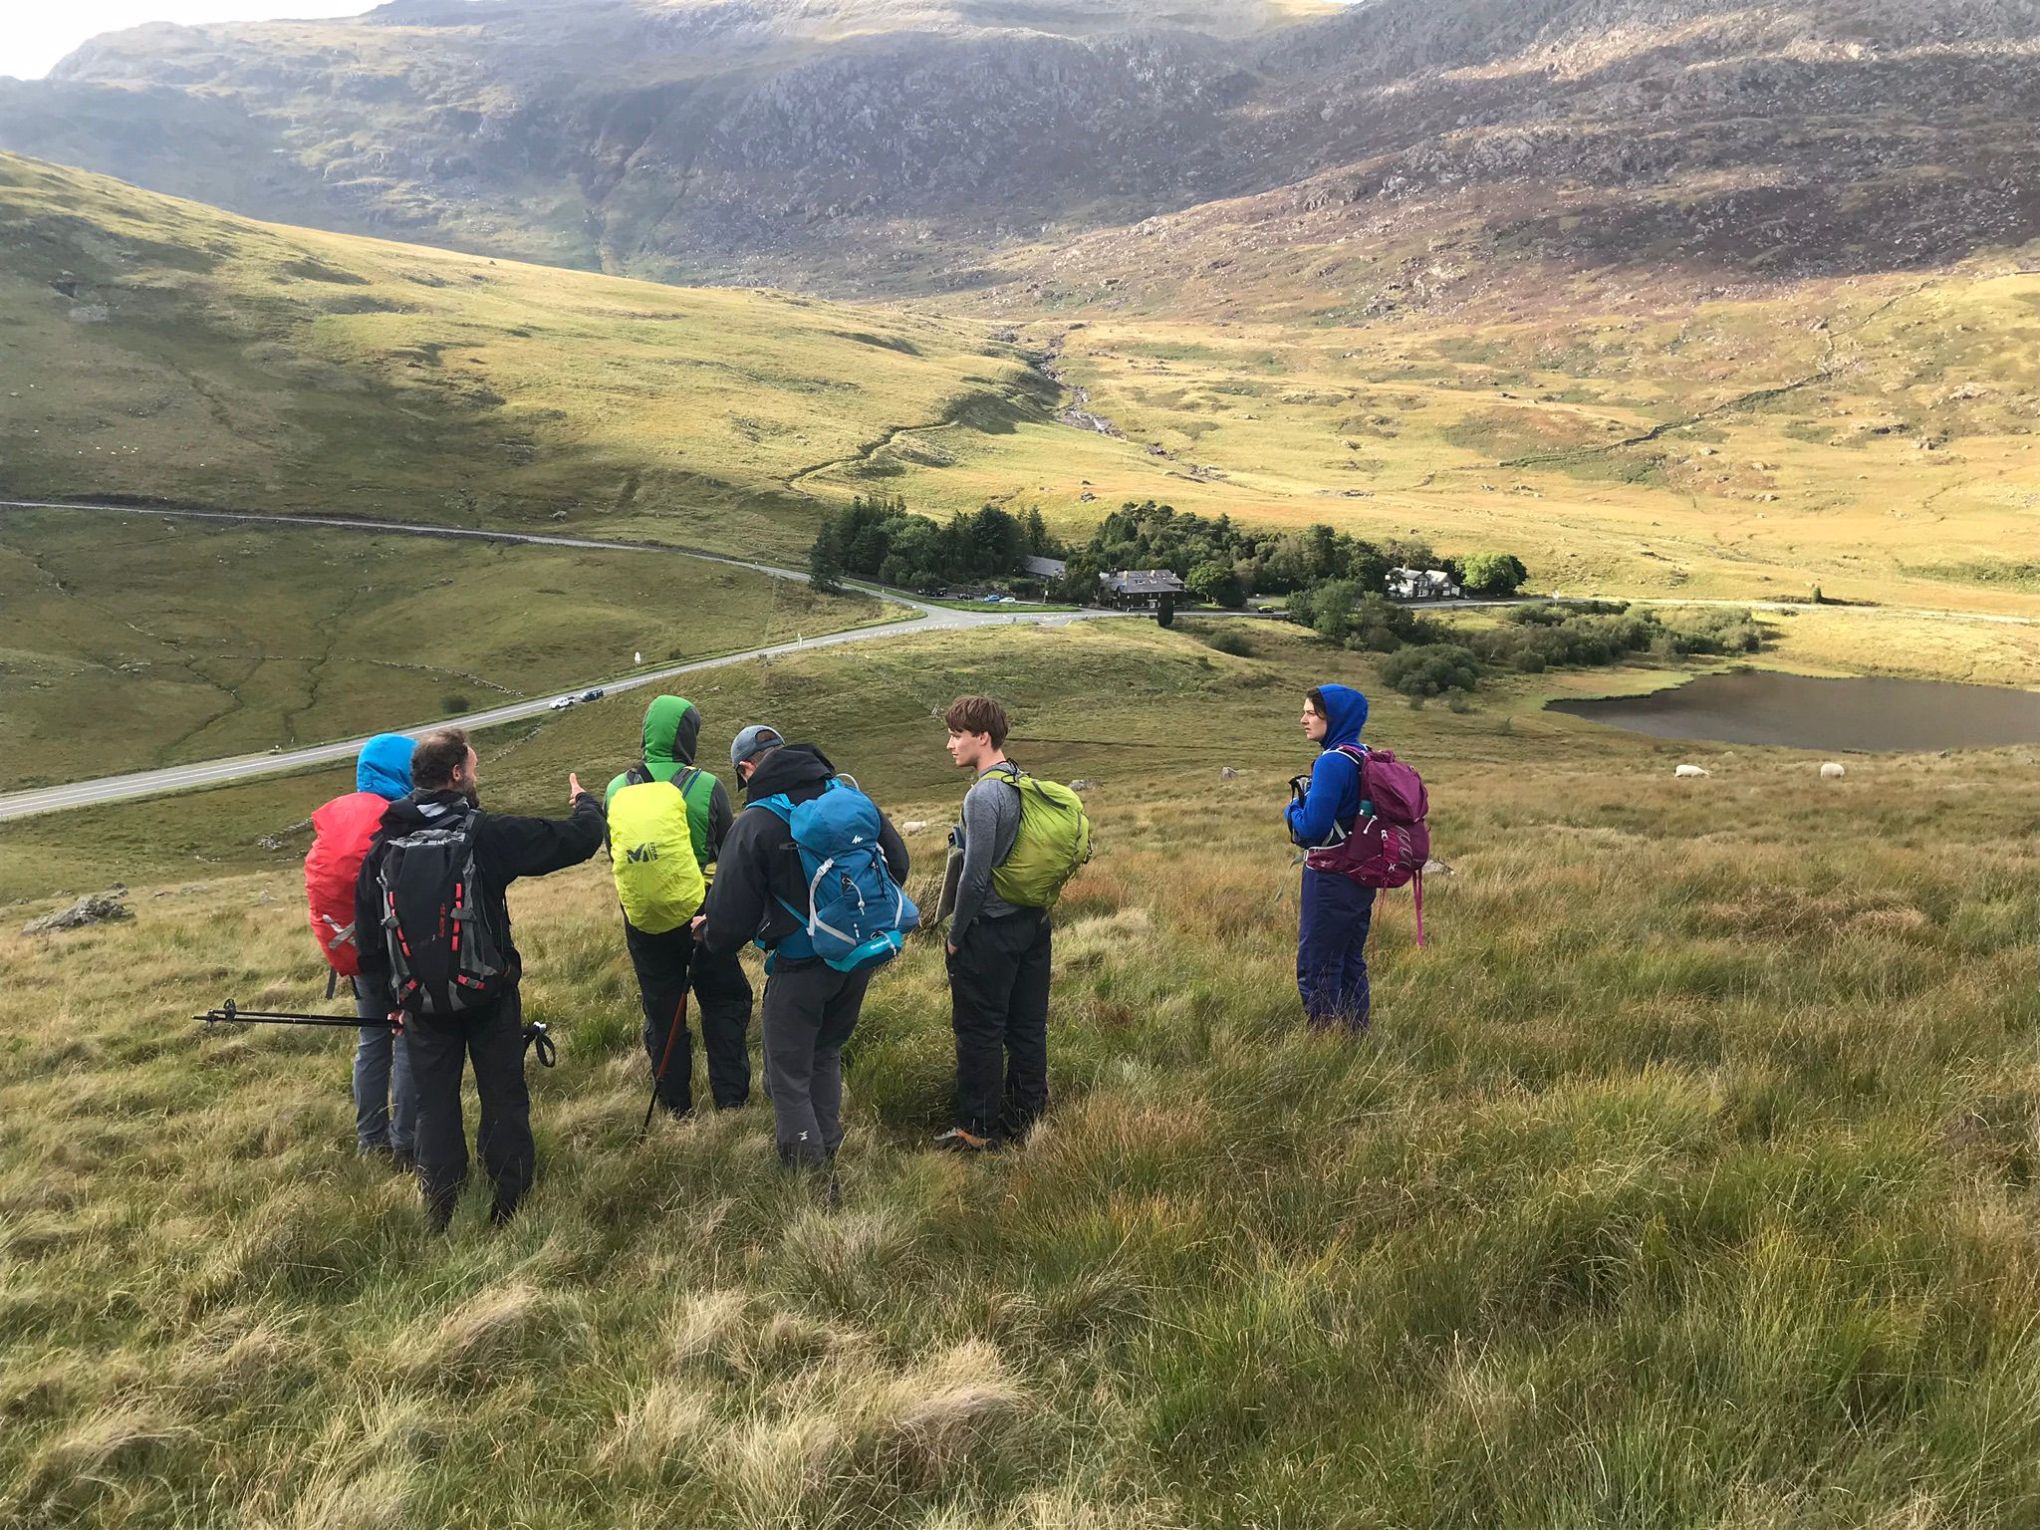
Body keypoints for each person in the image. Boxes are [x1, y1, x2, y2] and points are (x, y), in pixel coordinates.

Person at [355, 728, 604, 1230]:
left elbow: (368, 939)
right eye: (473, 766)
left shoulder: (385, 843)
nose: (477, 774)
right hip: (488, 995)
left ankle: (442, 1208)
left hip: (420, 1005)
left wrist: (393, 1003)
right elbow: (577, 842)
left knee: (434, 1105)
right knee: (503, 1096)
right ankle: (508, 1206)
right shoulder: (486, 834)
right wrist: (585, 804)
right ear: (455, 774)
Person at [695, 724, 910, 1175]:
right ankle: (828, 1148)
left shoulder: (755, 822)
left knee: (788, 1078)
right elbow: (900, 866)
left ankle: (809, 1180)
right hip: (855, 956)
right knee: (826, 1052)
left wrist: (706, 933)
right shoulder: (847, 796)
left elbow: (729, 926)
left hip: (797, 970)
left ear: (747, 768)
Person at [604, 696, 752, 1118]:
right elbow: (729, 852)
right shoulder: (706, 786)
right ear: (687, 735)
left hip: (644, 918)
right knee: (725, 999)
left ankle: (675, 1107)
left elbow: (612, 849)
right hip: (702, 913)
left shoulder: (617, 787)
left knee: (662, 1008)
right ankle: (731, 1101)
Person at [935, 696, 1052, 1153]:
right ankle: (1028, 1122)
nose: (950, 744)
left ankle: (978, 1132)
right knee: (1027, 1027)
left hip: (993, 932)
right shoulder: (1022, 780)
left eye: (956, 735)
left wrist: (955, 935)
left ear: (982, 737)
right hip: (1034, 924)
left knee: (979, 1031)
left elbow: (975, 875)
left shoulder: (983, 793)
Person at [306, 732, 419, 1166]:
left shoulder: (342, 820)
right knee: (409, 1037)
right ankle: (406, 1142)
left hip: (359, 958)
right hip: (402, 952)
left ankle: (371, 1141)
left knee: (373, 1041)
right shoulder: (402, 816)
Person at [1285, 684, 1376, 1031]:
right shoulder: (1364, 754)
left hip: (1330, 877)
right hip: (1361, 874)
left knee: (1318, 962)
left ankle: (1324, 1043)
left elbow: (1311, 828)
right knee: (1351, 958)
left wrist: (1291, 809)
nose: (1303, 719)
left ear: (1331, 717)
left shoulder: (1332, 762)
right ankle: (1356, 1035)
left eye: (1310, 712)